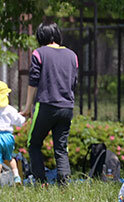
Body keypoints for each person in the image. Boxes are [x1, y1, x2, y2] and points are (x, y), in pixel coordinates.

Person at [21, 22, 78, 185]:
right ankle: (64, 184)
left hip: (46, 105)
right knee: (61, 148)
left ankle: (41, 183)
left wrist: (27, 107)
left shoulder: (39, 53)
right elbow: (74, 82)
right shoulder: (72, 55)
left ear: (41, 36)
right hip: (67, 107)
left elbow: (33, 81)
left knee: (34, 143)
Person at [0, 81, 26, 184]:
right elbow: (20, 121)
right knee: (10, 157)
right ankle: (16, 176)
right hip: (8, 137)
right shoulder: (10, 109)